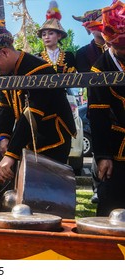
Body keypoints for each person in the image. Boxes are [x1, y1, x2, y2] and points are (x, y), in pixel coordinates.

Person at [0, 14, 76, 184]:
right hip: (27, 139)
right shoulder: (3, 73)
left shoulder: (39, 69)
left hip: (53, 138)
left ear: (5, 52)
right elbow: (4, 107)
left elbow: (32, 114)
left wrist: (11, 154)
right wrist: (3, 137)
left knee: (49, 191)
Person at [88, 0, 125, 217]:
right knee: (112, 206)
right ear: (109, 42)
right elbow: (98, 114)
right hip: (116, 147)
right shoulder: (99, 68)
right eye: (121, 47)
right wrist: (103, 155)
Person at [73, 8, 106, 204]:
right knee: (99, 145)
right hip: (98, 103)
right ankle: (97, 187)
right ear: (89, 29)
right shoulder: (83, 53)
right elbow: (88, 78)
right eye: (97, 26)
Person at [37, 1, 76, 74]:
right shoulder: (37, 57)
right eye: (44, 34)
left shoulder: (69, 56)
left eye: (51, 33)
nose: (46, 37)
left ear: (59, 36)